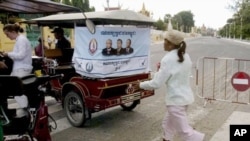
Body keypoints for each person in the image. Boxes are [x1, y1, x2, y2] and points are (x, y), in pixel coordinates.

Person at [135, 30, 205, 141]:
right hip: (184, 99)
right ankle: (166, 139)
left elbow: (156, 83)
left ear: (171, 44)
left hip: (175, 102)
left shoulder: (167, 59)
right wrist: (159, 72)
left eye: (165, 41)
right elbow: (175, 74)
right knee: (167, 125)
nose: (163, 43)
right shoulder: (186, 56)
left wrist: (140, 85)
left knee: (185, 132)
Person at [2, 24, 33, 117]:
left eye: (7, 34)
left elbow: (21, 55)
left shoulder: (21, 40)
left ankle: (27, 108)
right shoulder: (19, 40)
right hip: (19, 68)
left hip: (22, 68)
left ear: (13, 32)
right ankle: (26, 108)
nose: (7, 37)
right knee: (14, 89)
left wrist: (8, 54)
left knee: (16, 89)